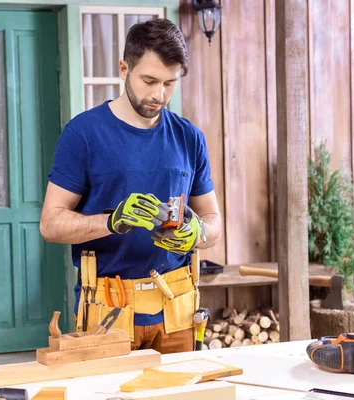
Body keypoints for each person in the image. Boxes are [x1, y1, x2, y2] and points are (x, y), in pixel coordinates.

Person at [39, 17, 222, 354]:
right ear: (124, 68)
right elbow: (50, 224)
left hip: (178, 310)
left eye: (170, 83)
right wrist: (110, 221)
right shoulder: (84, 134)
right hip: (108, 311)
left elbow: (214, 221)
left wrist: (198, 232)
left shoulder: (189, 137)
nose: (159, 94)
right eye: (149, 80)